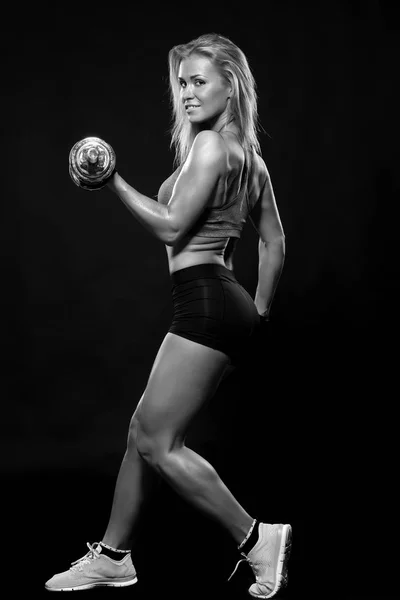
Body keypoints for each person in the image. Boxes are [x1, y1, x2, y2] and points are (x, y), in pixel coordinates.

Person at [45, 32, 290, 598]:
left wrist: (113, 182)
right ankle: (113, 557)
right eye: (181, 83)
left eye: (199, 81)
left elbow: (172, 227)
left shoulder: (209, 149)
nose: (185, 92)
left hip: (206, 299)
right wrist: (255, 311)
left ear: (231, 85)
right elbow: (274, 243)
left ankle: (257, 539)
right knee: (143, 435)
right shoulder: (251, 161)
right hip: (220, 301)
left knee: (159, 443)